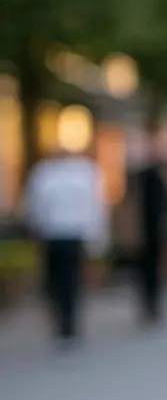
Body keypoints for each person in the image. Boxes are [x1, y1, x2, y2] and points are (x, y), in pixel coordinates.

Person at [23, 143, 108, 345]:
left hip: (63, 234)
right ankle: (65, 321)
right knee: (62, 280)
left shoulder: (51, 173)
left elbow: (34, 206)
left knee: (64, 280)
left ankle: (66, 322)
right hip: (59, 233)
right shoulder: (75, 173)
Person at [134, 126, 167, 327]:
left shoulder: (152, 176)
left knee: (150, 269)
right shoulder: (147, 176)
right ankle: (151, 305)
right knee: (148, 269)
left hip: (151, 230)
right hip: (146, 230)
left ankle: (151, 304)